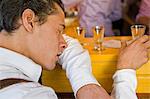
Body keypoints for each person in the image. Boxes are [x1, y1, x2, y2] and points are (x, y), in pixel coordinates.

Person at [0, 0, 150, 99]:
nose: (64, 43)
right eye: (59, 31)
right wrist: (125, 71)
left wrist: (85, 83)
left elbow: (69, 44)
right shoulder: (33, 95)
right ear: (29, 21)